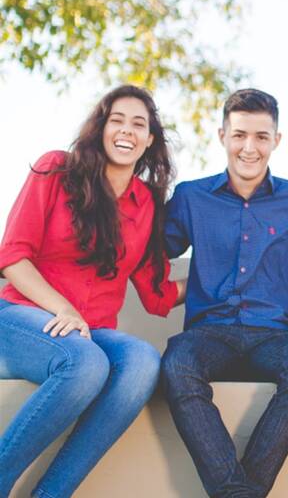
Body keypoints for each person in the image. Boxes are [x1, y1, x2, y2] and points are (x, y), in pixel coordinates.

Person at [0, 85, 180, 498]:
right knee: (85, 364)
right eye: (117, 119)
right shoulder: (57, 170)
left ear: (150, 139)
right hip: (22, 317)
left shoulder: (147, 203)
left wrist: (229, 280)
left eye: (139, 124)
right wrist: (62, 309)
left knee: (142, 363)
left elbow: (158, 295)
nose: (126, 131)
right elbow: (13, 255)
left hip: (91, 330)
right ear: (101, 128)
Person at [160, 88, 288, 497]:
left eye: (260, 136)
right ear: (222, 136)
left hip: (277, 335)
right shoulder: (190, 197)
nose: (249, 147)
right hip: (209, 333)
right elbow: (148, 253)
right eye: (239, 135)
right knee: (176, 364)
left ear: (277, 140)